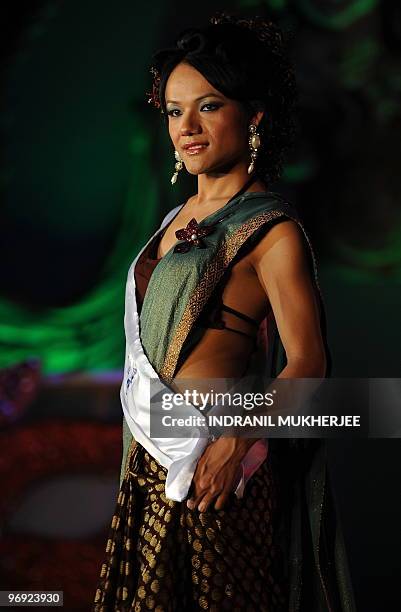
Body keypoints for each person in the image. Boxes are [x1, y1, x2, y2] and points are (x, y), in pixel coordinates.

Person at [93, 13, 356, 611]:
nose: (186, 127)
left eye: (207, 107)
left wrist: (239, 439)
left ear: (253, 116)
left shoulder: (272, 231)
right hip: (146, 469)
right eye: (173, 111)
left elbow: (309, 363)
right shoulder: (171, 220)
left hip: (213, 470)